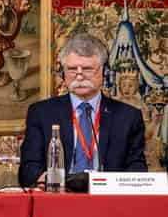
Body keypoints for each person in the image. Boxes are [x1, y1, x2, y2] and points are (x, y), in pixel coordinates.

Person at [18, 33, 147, 187]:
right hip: (58, 201)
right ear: (63, 73)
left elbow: (137, 169)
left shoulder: (128, 117)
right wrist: (55, 180)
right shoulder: (41, 113)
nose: (79, 77)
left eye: (87, 69)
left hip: (109, 203)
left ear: (104, 72)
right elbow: (28, 170)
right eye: (72, 69)